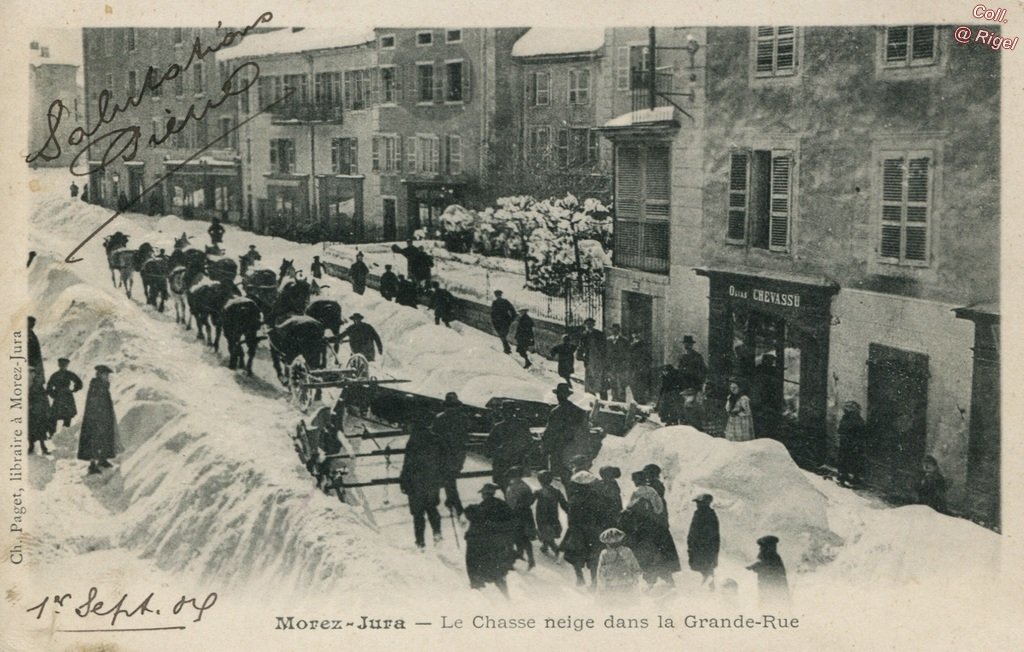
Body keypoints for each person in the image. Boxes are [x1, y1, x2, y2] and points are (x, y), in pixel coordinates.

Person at [619, 472, 681, 587]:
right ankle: (669, 582)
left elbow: (629, 508)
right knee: (660, 555)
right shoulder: (653, 492)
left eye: (634, 480)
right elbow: (659, 509)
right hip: (656, 527)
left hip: (642, 529)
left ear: (637, 481)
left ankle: (650, 584)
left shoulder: (637, 492)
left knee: (645, 556)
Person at [399, 414, 445, 549]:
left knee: (418, 514)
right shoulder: (436, 438)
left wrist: (403, 480)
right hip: (432, 481)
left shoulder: (414, 440)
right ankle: (437, 534)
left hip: (416, 482)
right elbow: (443, 460)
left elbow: (408, 463)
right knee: (432, 508)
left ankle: (420, 542)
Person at [464, 484, 516, 597]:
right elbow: (512, 522)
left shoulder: (480, 508)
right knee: (498, 573)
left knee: (475, 570)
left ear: (483, 495)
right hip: (498, 545)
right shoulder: (503, 505)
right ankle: (506, 597)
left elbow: (473, 517)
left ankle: (479, 592)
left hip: (481, 545)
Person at [432, 392, 474, 519]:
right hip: (458, 454)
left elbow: (434, 437)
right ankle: (451, 501)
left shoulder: (439, 418)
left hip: (443, 454)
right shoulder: (463, 418)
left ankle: (454, 505)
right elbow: (466, 435)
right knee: (451, 478)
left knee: (446, 479)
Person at [560, 470, 604, 587]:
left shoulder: (575, 500)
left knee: (575, 555)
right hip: (593, 531)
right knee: (593, 558)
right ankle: (594, 581)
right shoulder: (596, 498)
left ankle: (580, 578)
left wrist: (570, 532)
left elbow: (572, 519)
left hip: (578, 531)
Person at [77, 365, 122, 475]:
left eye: (107, 375)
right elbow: (93, 404)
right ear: (100, 375)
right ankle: (92, 465)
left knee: (105, 438)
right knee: (94, 440)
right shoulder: (95, 386)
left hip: (104, 418)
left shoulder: (103, 385)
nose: (107, 377)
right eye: (105, 375)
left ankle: (102, 460)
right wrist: (96, 418)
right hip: (95, 419)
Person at [542, 383, 589, 482]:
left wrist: (545, 443)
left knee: (560, 473)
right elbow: (583, 427)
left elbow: (550, 430)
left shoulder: (556, 411)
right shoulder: (577, 410)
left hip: (559, 445)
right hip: (573, 444)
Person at [485, 402, 533, 488]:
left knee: (506, 485)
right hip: (516, 459)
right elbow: (529, 441)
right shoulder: (522, 424)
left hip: (505, 460)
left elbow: (489, 445)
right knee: (514, 485)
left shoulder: (499, 426)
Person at [504, 467, 537, 569]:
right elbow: (531, 500)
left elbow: (512, 502)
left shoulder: (514, 487)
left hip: (516, 515)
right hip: (526, 514)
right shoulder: (525, 486)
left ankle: (512, 561)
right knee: (524, 538)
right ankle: (529, 558)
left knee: (512, 537)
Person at [687, 494, 720, 589]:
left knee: (706, 568)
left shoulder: (706, 515)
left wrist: (694, 544)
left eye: (699, 503)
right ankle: (709, 586)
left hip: (703, 548)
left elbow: (709, 535)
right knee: (705, 568)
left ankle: (709, 587)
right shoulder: (702, 513)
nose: (697, 505)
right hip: (700, 547)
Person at [596, 527, 643, 595]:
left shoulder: (605, 553)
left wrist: (601, 590)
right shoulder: (626, 551)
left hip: (619, 588)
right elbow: (636, 570)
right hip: (621, 588)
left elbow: (600, 575)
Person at [746, 535, 790, 607]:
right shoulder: (772, 556)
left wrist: (753, 567)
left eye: (762, 546)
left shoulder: (771, 556)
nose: (760, 548)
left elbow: (765, 567)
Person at [534, 470, 568, 558]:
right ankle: (545, 545)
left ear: (540, 481)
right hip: (553, 516)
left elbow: (529, 502)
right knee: (549, 531)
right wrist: (569, 511)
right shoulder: (556, 492)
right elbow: (564, 504)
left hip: (542, 517)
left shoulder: (538, 492)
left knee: (545, 532)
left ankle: (555, 549)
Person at [46, 357, 83, 432]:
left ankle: (64, 433)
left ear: (66, 365)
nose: (63, 366)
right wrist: (54, 395)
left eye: (64, 365)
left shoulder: (67, 374)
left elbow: (79, 383)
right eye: (61, 365)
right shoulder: (56, 375)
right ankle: (53, 433)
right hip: (60, 397)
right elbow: (49, 387)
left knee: (67, 416)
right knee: (54, 416)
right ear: (59, 365)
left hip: (65, 397)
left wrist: (74, 389)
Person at [837, 401, 867, 487]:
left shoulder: (846, 419)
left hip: (848, 443)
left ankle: (844, 478)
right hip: (853, 444)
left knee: (845, 460)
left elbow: (840, 430)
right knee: (854, 461)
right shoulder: (859, 420)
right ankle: (853, 478)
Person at [578, 318, 606, 396]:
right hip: (589, 359)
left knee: (600, 380)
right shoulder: (584, 335)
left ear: (594, 325)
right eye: (587, 324)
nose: (589, 326)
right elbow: (580, 346)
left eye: (591, 324)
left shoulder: (599, 334)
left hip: (599, 359)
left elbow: (604, 347)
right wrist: (580, 356)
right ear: (585, 325)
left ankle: (603, 400)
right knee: (590, 379)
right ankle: (592, 398)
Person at [28, 370, 52, 455]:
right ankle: (31, 446)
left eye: (39, 379)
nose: (38, 381)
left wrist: (48, 410)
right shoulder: (31, 388)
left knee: (42, 430)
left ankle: (43, 447)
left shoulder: (42, 389)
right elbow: (28, 400)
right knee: (32, 430)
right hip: (33, 413)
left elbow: (46, 400)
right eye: (37, 379)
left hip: (41, 412)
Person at [604, 324, 629, 401]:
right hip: (611, 367)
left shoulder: (624, 341)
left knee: (621, 385)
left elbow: (627, 354)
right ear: (611, 331)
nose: (614, 331)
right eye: (613, 329)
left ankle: (622, 402)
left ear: (619, 330)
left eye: (616, 329)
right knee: (613, 384)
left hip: (621, 367)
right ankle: (614, 403)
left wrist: (625, 364)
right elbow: (605, 354)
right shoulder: (607, 341)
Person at [490, 290, 517, 354]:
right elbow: (513, 310)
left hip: (498, 322)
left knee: (502, 335)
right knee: (503, 335)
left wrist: (493, 321)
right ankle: (507, 348)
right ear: (501, 295)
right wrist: (512, 318)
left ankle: (507, 349)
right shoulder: (505, 301)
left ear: (496, 295)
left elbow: (492, 313)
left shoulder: (495, 302)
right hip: (506, 321)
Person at [628, 331, 651, 402]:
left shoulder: (643, 345)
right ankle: (637, 400)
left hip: (641, 369)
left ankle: (640, 400)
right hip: (633, 369)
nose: (635, 335)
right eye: (634, 334)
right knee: (634, 385)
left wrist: (644, 366)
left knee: (641, 386)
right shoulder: (630, 345)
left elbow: (648, 358)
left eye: (637, 334)